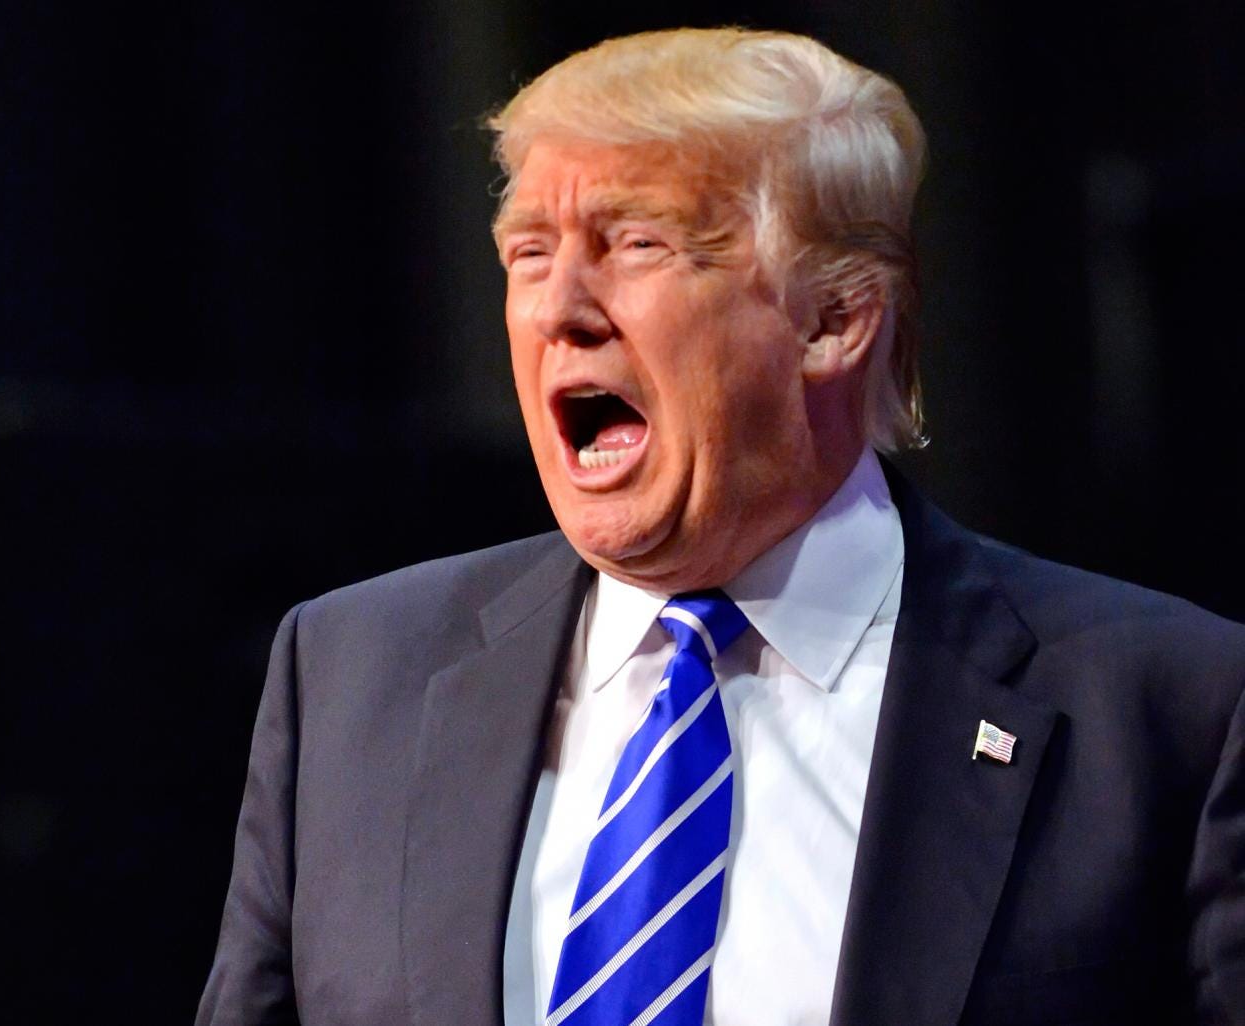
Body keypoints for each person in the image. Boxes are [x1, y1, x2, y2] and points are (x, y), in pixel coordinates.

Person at [195, 28, 1245, 1026]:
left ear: (834, 319)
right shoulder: (350, 678)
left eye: (637, 243)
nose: (560, 307)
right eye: (527, 253)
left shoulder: (1167, 711)